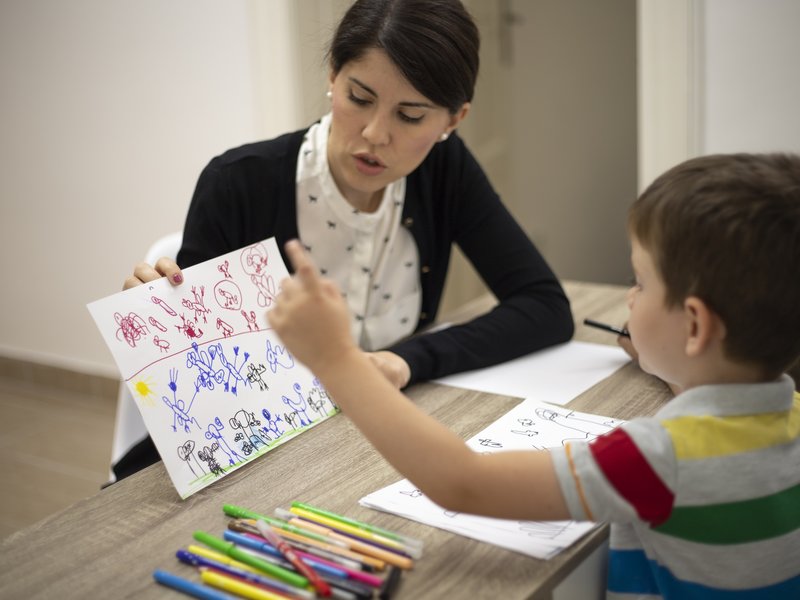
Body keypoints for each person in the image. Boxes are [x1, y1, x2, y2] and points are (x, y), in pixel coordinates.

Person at [268, 152, 800, 598]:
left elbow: (465, 484)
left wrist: (336, 360)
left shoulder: (658, 459)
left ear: (695, 326)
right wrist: (678, 363)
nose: (630, 298)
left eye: (638, 282)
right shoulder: (788, 415)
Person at [114, 0, 573, 480]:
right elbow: (199, 399)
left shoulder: (444, 170)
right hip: (252, 459)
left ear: (453, 121)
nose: (376, 134)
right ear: (333, 75)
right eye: (359, 97)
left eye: (410, 116)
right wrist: (161, 328)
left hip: (366, 450)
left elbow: (544, 306)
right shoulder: (238, 183)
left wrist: (404, 362)